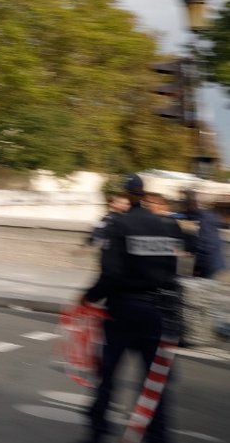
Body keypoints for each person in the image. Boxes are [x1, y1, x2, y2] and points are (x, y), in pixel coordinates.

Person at [80, 174, 186, 443]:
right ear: (144, 193)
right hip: (157, 310)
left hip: (123, 310)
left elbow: (111, 274)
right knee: (153, 381)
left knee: (108, 375)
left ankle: (98, 431)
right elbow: (172, 272)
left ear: (126, 194)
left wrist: (89, 297)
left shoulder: (119, 225)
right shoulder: (168, 226)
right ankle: (157, 435)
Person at [177, 189, 226, 279]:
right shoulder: (207, 215)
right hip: (213, 265)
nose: (182, 205)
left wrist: (189, 253)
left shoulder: (203, 218)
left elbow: (205, 246)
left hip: (210, 267)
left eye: (185, 203)